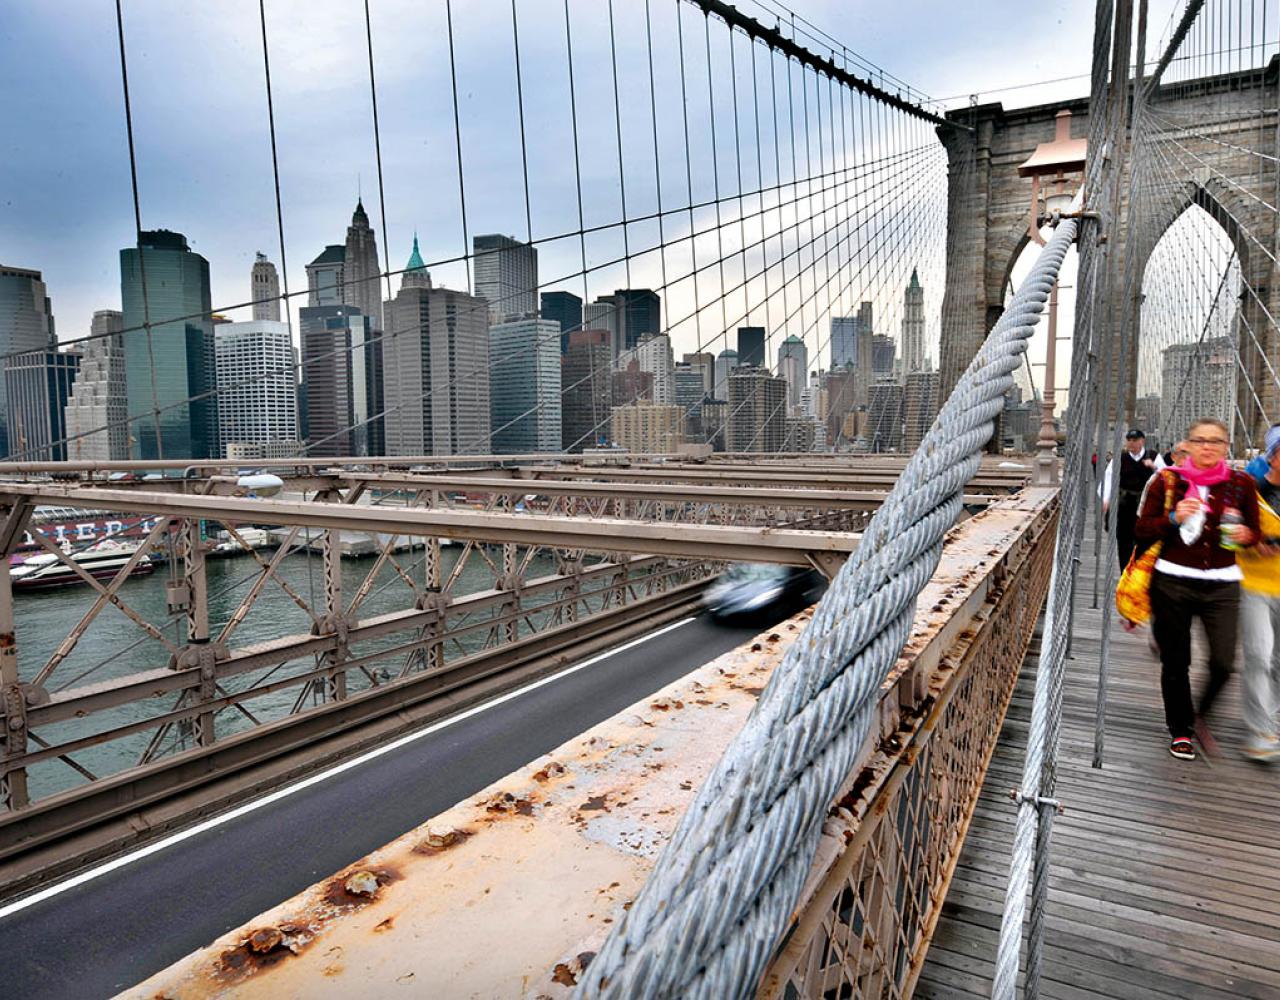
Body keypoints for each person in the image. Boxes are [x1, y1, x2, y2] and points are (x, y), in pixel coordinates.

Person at [1135, 417, 1260, 760]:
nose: (1207, 447)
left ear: (1226, 447)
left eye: (1216, 441)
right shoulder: (1166, 481)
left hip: (1222, 585)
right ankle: (1181, 730)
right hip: (1171, 582)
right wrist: (1173, 518)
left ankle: (1199, 712)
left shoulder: (1242, 484)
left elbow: (1254, 533)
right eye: (1200, 440)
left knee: (1224, 663)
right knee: (1176, 661)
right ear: (1187, 445)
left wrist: (1248, 537)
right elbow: (1142, 530)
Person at [1237, 424, 1280, 762]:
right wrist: (1253, 544)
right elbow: (1227, 535)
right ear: (1273, 457)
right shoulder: (1250, 492)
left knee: (1277, 662)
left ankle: (1270, 715)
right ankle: (1260, 731)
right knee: (1258, 656)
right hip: (1253, 584)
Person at [1101, 429, 1159, 568]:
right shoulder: (1120, 458)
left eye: (1135, 440)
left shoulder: (1153, 457)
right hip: (1124, 506)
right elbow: (1108, 478)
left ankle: (1139, 572)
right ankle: (1125, 572)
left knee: (1143, 541)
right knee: (1124, 542)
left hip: (1145, 507)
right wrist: (1106, 499)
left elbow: (1167, 476)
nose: (1131, 443)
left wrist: (1154, 467)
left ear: (1142, 441)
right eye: (1129, 440)